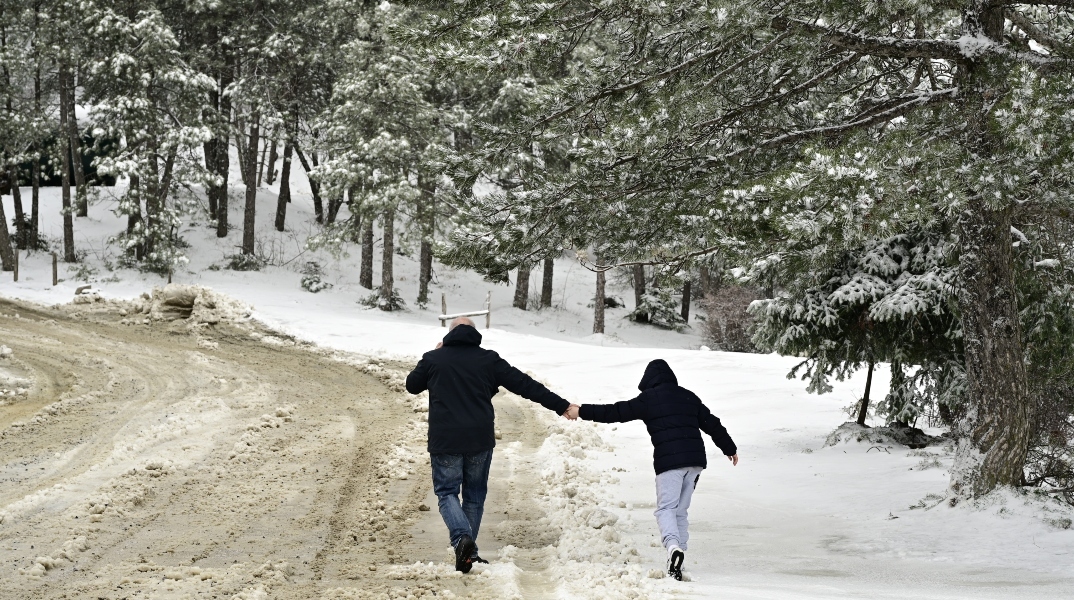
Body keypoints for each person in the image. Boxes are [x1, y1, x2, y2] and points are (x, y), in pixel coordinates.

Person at [406, 317, 578, 573]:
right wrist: (561, 405)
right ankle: (468, 553)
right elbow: (525, 385)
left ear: (450, 334)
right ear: (475, 334)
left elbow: (412, 385)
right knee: (474, 497)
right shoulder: (488, 360)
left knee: (446, 493)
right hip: (479, 439)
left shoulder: (434, 359)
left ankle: (462, 540)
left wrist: (434, 353)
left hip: (445, 440)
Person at [564, 359, 738, 581]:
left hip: (669, 464)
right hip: (695, 462)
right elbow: (713, 423)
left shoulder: (648, 399)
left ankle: (673, 548)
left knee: (666, 509)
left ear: (648, 380)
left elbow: (615, 412)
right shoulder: (688, 396)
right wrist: (729, 448)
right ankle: (680, 555)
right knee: (680, 510)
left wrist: (582, 411)